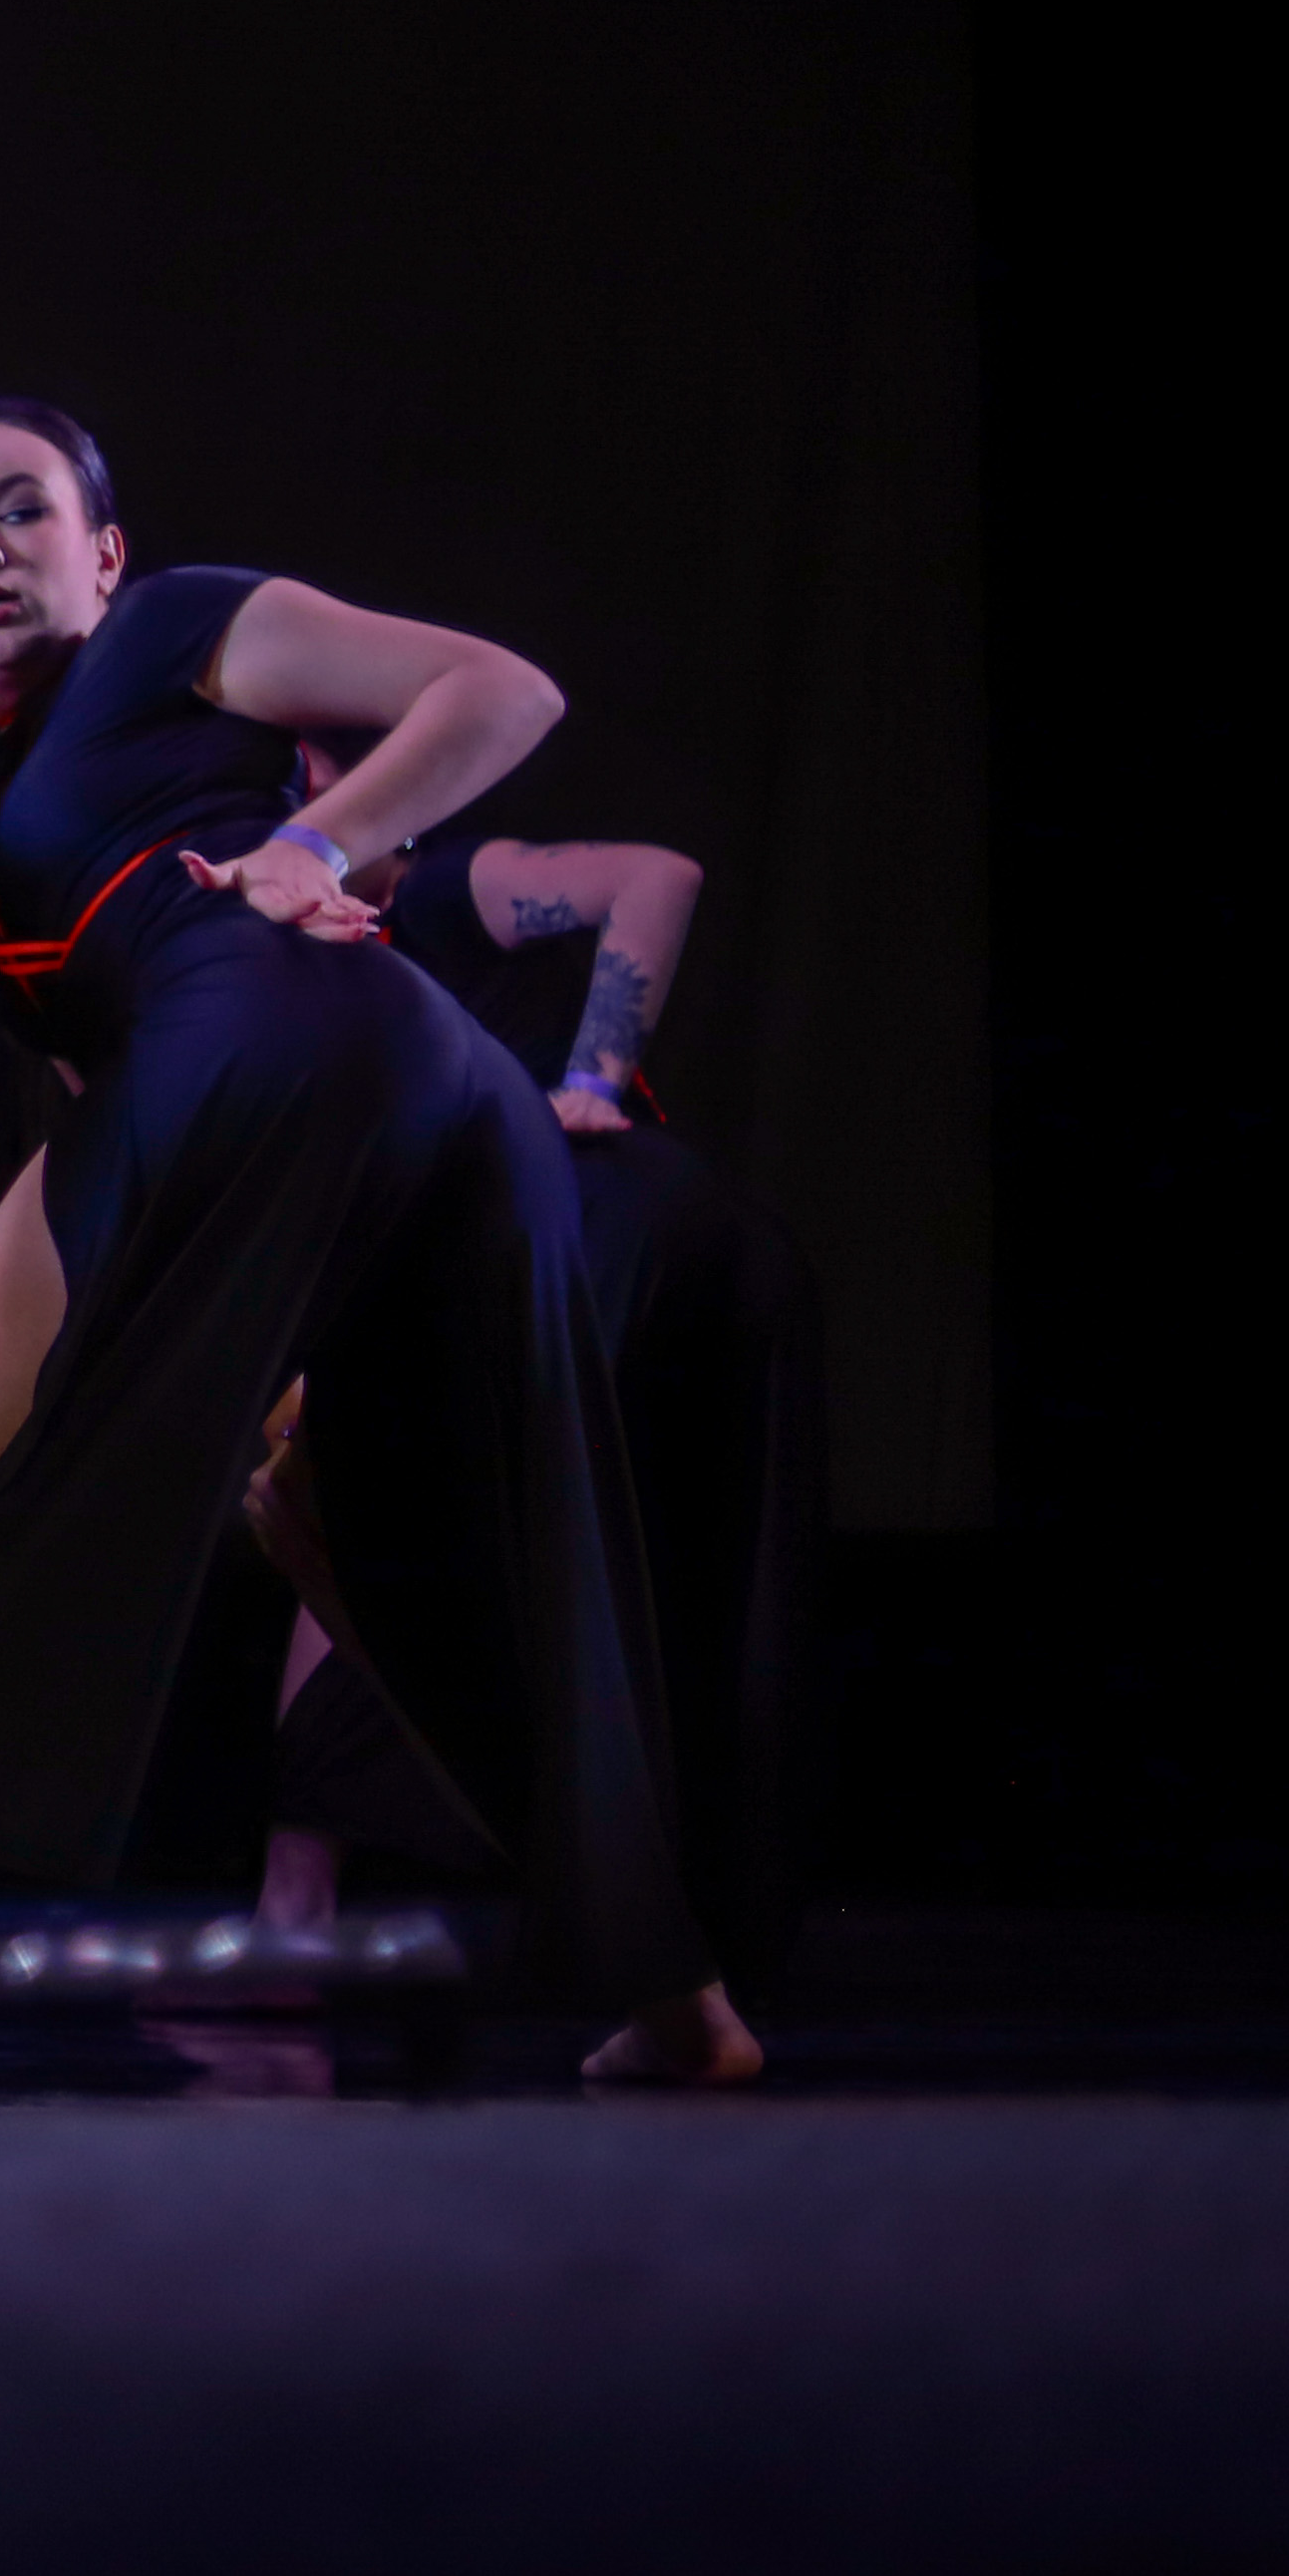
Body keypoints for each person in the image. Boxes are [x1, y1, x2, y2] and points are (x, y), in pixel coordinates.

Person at [0, 399, 753, 2088]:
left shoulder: (174, 628)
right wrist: (253, 1356)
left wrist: (309, 842)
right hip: (396, 1091)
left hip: (284, 1036)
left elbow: (500, 692)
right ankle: (682, 2010)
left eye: (20, 509)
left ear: (105, 550)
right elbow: (126, 1098)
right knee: (385, 1563)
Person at [253, 800, 818, 1973]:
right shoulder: (335, 962)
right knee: (660, 1586)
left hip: (595, 1237)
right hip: (687, 1248)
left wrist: (591, 1080)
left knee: (354, 1507)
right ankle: (695, 1947)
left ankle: (299, 1909)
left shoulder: (433, 892)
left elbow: (658, 870)